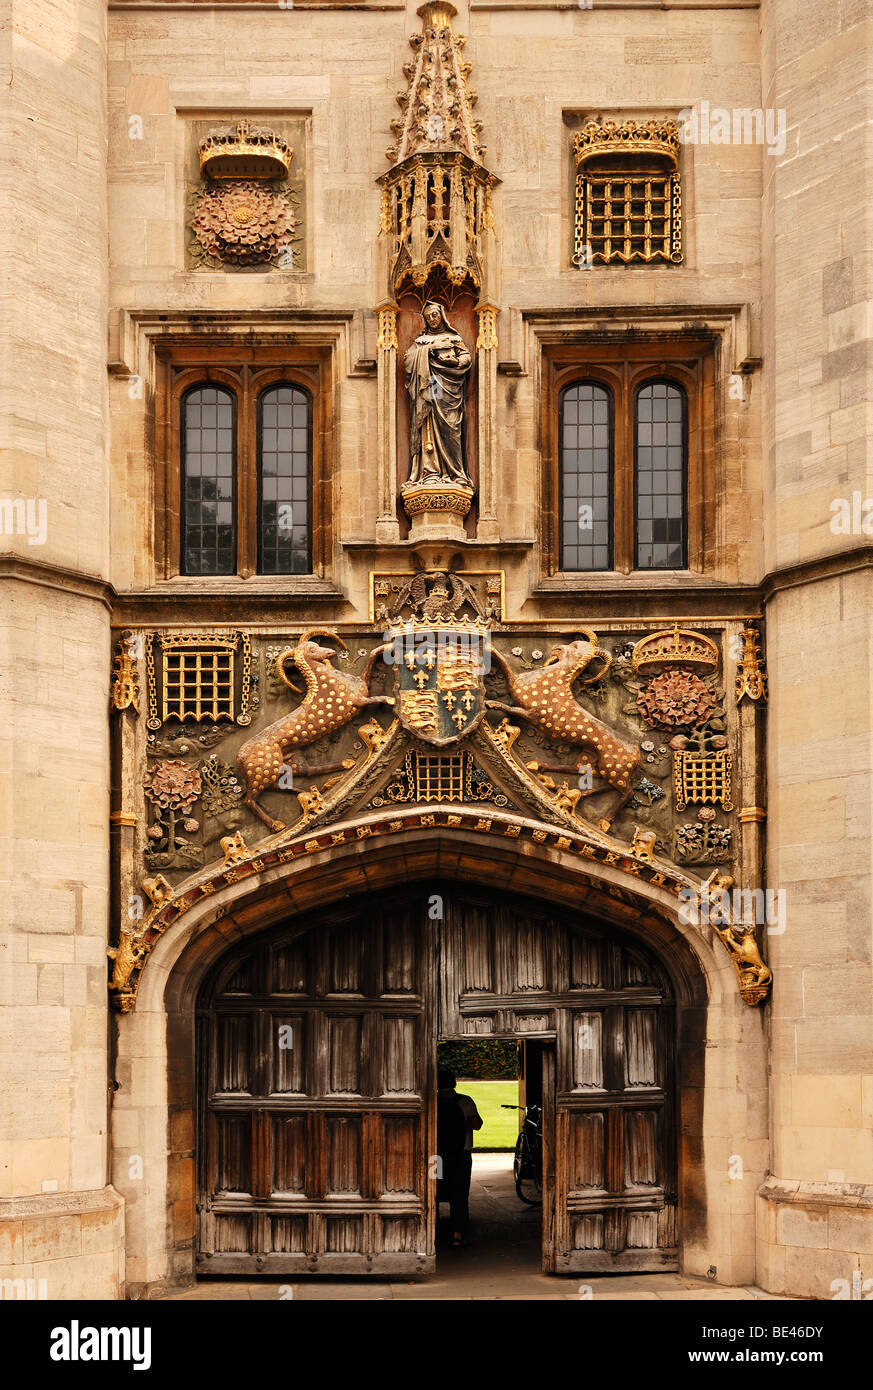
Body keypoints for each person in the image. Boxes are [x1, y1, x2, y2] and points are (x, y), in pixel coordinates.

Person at [403, 301, 473, 488]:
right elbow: (408, 360)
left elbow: (466, 357)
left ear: (441, 315)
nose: (432, 319)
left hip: (449, 388)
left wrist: (455, 362)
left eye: (434, 314)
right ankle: (430, 472)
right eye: (428, 317)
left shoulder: (453, 338)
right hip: (431, 386)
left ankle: (456, 473)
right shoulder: (421, 342)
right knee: (429, 424)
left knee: (450, 427)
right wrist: (430, 350)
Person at [436, 1068, 483, 1246]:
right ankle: (457, 1233)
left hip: (436, 1157)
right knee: (460, 1192)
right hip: (460, 1154)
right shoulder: (465, 1101)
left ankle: (433, 1229)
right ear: (454, 1083)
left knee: (434, 1190)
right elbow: (477, 1125)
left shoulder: (430, 1101)